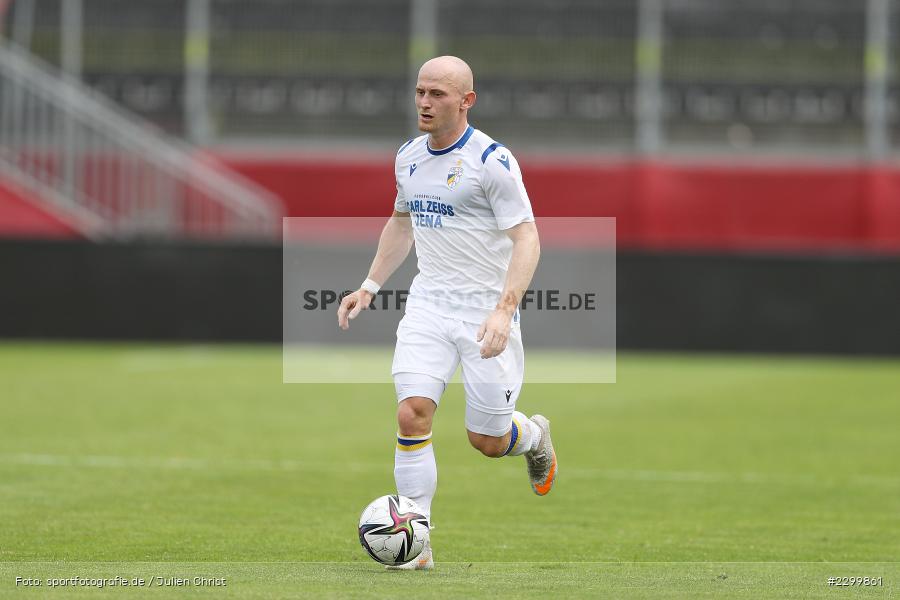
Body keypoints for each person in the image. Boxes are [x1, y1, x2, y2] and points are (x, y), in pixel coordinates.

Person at [337, 55, 557, 570]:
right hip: (428, 307)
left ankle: (534, 437)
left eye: (437, 94)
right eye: (419, 92)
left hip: (484, 314)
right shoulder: (409, 156)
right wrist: (369, 285)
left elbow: (527, 237)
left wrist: (504, 311)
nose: (424, 103)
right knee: (412, 413)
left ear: (466, 101)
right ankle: (417, 542)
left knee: (487, 440)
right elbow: (400, 222)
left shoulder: (492, 162)